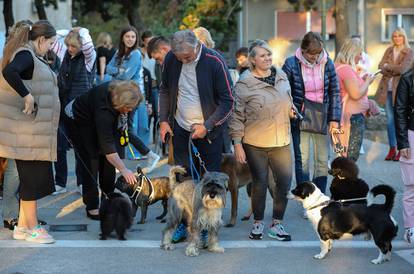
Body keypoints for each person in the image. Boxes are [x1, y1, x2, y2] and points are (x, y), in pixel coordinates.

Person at [159, 30, 233, 242]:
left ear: (197, 46)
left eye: (188, 57)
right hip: (180, 128)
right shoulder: (172, 59)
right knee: (184, 180)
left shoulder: (214, 61)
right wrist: (163, 119)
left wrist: (207, 126)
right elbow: (164, 90)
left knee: (210, 181)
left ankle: (208, 227)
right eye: (180, 58)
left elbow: (228, 101)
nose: (183, 61)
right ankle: (185, 223)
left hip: (209, 131)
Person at [0, 20, 59, 244]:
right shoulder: (26, 55)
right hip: (29, 135)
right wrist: (26, 95)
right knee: (32, 183)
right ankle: (32, 228)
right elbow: (9, 71)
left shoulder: (29, 55)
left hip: (32, 133)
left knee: (29, 184)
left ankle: (23, 228)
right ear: (41, 40)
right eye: (51, 43)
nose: (51, 47)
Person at [229, 40, 294, 241]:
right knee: (260, 182)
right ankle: (258, 223)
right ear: (253, 60)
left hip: (281, 139)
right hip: (255, 142)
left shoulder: (282, 76)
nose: (267, 58)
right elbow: (237, 116)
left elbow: (288, 99)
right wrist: (237, 144)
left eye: (269, 55)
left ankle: (277, 224)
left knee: (284, 182)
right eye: (262, 56)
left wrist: (291, 110)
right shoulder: (244, 83)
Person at [64, 80, 140, 219]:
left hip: (98, 118)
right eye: (129, 108)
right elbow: (108, 148)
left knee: (108, 165)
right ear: (121, 104)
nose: (130, 111)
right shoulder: (104, 110)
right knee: (91, 161)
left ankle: (108, 199)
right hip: (80, 121)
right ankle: (92, 205)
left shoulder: (123, 93)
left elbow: (112, 148)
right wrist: (124, 169)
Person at [282, 31, 341, 193]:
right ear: (303, 50)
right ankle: (305, 195)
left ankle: (319, 195)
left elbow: (335, 92)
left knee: (322, 160)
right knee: (303, 160)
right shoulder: (291, 64)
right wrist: (289, 109)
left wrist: (334, 119)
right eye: (311, 53)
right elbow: (282, 91)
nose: (315, 57)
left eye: (318, 53)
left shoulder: (328, 63)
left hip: (322, 116)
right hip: (300, 117)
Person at [107, 26, 160, 170]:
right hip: (119, 96)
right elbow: (107, 68)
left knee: (127, 130)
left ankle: (150, 155)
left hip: (130, 97)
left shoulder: (136, 54)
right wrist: (120, 71)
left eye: (133, 37)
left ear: (136, 39)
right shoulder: (119, 53)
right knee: (120, 129)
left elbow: (126, 76)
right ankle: (119, 164)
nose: (130, 39)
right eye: (127, 36)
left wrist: (117, 71)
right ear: (122, 38)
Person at [51, 27, 96, 195]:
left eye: (74, 46)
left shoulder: (89, 58)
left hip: (81, 111)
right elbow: (53, 38)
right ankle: (60, 183)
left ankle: (82, 183)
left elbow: (88, 44)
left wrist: (82, 30)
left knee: (80, 148)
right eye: (68, 46)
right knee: (59, 146)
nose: (70, 49)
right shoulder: (65, 55)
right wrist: (69, 30)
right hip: (63, 108)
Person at [335, 38, 376, 161]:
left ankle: (342, 178)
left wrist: (359, 77)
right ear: (352, 53)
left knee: (342, 154)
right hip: (351, 119)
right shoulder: (345, 69)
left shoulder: (339, 66)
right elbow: (356, 94)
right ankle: (346, 179)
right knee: (350, 157)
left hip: (345, 117)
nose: (360, 57)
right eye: (359, 53)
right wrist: (368, 81)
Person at [376, 27, 414, 161]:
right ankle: (392, 148)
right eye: (394, 36)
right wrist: (388, 68)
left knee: (399, 118)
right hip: (387, 89)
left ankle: (400, 148)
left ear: (404, 37)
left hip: (401, 90)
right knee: (390, 120)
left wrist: (388, 67)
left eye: (399, 36)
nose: (397, 38)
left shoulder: (409, 52)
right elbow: (380, 66)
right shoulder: (389, 50)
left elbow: (404, 69)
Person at [394, 66, 414, 243]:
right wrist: (402, 143)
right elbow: (399, 110)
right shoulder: (408, 78)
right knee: (411, 186)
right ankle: (410, 229)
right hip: (411, 135)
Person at [141, 30, 159, 144]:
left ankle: (156, 139)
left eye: (151, 41)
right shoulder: (140, 53)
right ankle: (144, 140)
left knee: (157, 113)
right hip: (144, 86)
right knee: (146, 113)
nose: (149, 44)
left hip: (155, 86)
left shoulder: (156, 52)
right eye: (147, 41)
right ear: (143, 41)